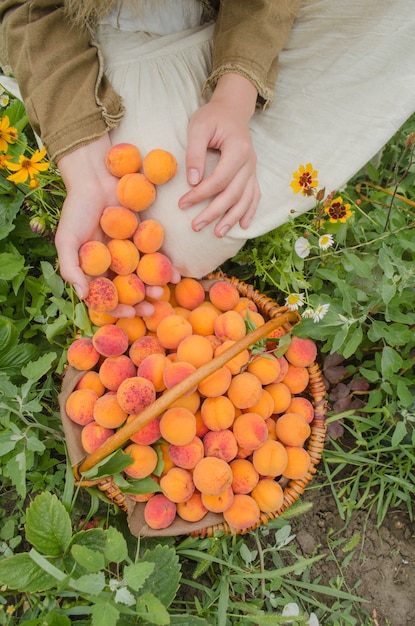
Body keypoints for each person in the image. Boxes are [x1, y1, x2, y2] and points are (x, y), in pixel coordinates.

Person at [1, 0, 415, 315]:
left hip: (237, 14)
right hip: (107, 34)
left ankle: (262, 103)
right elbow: (26, 8)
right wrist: (86, 170)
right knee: (186, 234)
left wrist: (236, 93)